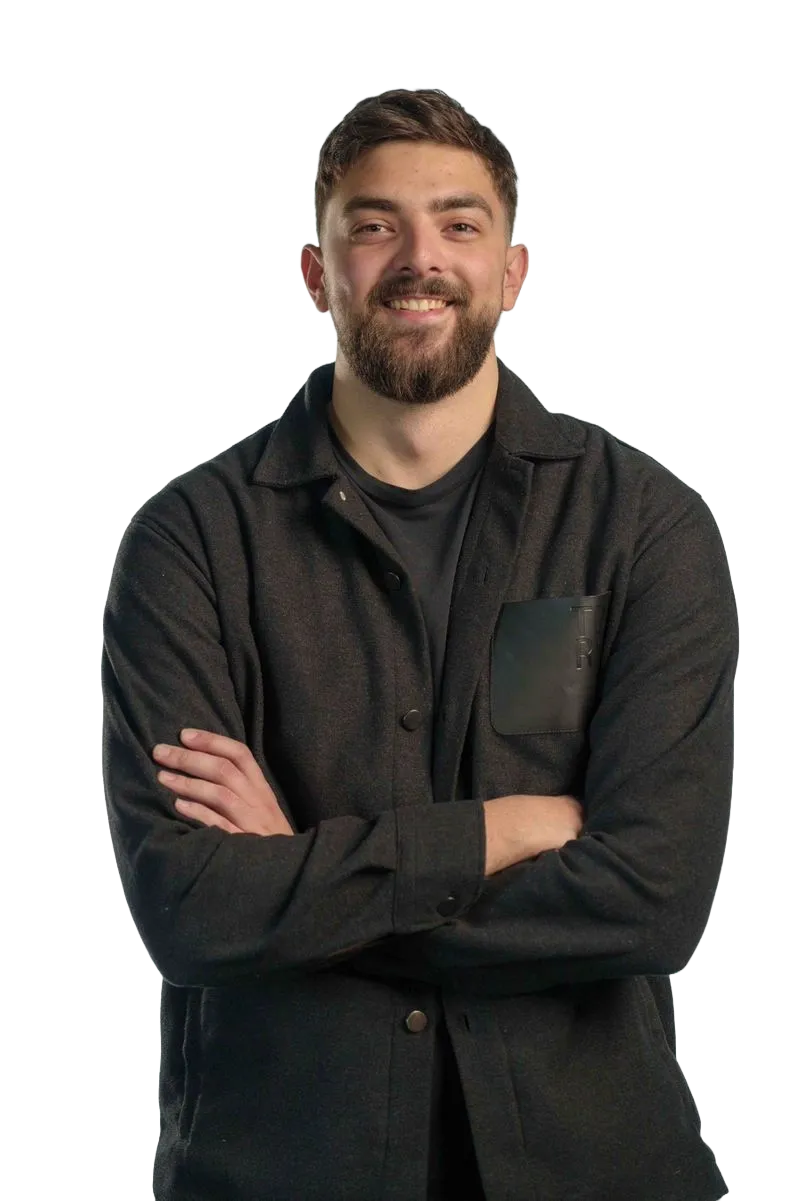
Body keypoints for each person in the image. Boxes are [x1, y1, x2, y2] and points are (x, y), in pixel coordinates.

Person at [102, 88, 735, 1200]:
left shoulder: (644, 527)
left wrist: (299, 879)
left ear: (511, 269)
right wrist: (498, 830)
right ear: (316, 270)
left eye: (456, 222)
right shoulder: (189, 541)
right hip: (280, 1170)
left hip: (596, 1167)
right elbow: (194, 907)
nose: (416, 258)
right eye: (372, 223)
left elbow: (651, 896)